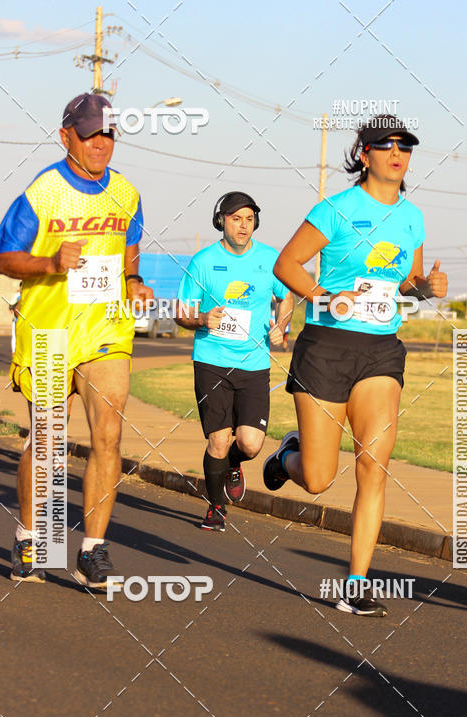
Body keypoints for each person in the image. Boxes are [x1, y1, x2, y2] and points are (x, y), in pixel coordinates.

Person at [263, 116, 447, 616]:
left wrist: (426, 288)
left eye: (405, 146)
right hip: (326, 348)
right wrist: (324, 296)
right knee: (319, 479)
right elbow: (286, 264)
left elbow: (407, 284)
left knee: (374, 464)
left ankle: (356, 584)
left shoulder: (413, 218)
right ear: (364, 155)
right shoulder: (336, 209)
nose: (397, 153)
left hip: (381, 350)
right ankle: (287, 457)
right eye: (385, 145)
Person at [0, 93, 150, 587]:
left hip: (105, 329)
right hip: (50, 332)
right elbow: (3, 258)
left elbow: (130, 248)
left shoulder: (126, 193)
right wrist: (50, 262)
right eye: (89, 134)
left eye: (108, 134)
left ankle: (92, 550)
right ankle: (29, 537)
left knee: (108, 433)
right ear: (66, 137)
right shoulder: (42, 193)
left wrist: (134, 282)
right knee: (47, 441)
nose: (101, 143)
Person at [176, 191, 292, 531]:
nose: (243, 226)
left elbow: (286, 297)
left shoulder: (270, 259)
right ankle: (216, 507)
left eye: (249, 219)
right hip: (211, 361)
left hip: (254, 365)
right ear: (221, 221)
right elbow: (180, 312)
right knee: (218, 439)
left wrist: (282, 326)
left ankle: (234, 464)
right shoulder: (203, 261)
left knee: (250, 444)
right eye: (236, 218)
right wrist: (201, 319)